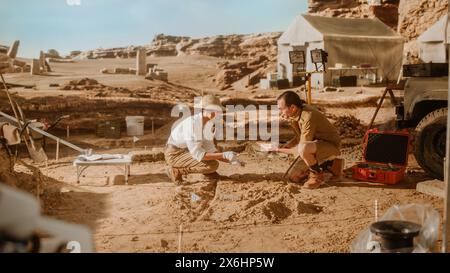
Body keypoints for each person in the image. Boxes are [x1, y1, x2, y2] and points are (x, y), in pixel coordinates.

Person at [274, 91, 343, 189]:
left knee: (303, 149)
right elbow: (300, 136)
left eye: (281, 109)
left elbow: (301, 148)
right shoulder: (295, 114)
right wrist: (289, 144)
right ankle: (333, 164)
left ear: (292, 108)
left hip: (331, 146)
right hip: (315, 145)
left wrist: (278, 150)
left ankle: (317, 176)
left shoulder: (308, 116)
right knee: (294, 177)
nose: (280, 112)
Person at [165, 94, 240, 184]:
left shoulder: (209, 124)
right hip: (175, 154)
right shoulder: (192, 124)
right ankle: (176, 171)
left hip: (187, 151)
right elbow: (199, 154)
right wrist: (224, 155)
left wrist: (232, 160)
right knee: (212, 165)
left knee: (212, 159)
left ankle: (209, 174)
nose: (217, 114)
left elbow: (210, 149)